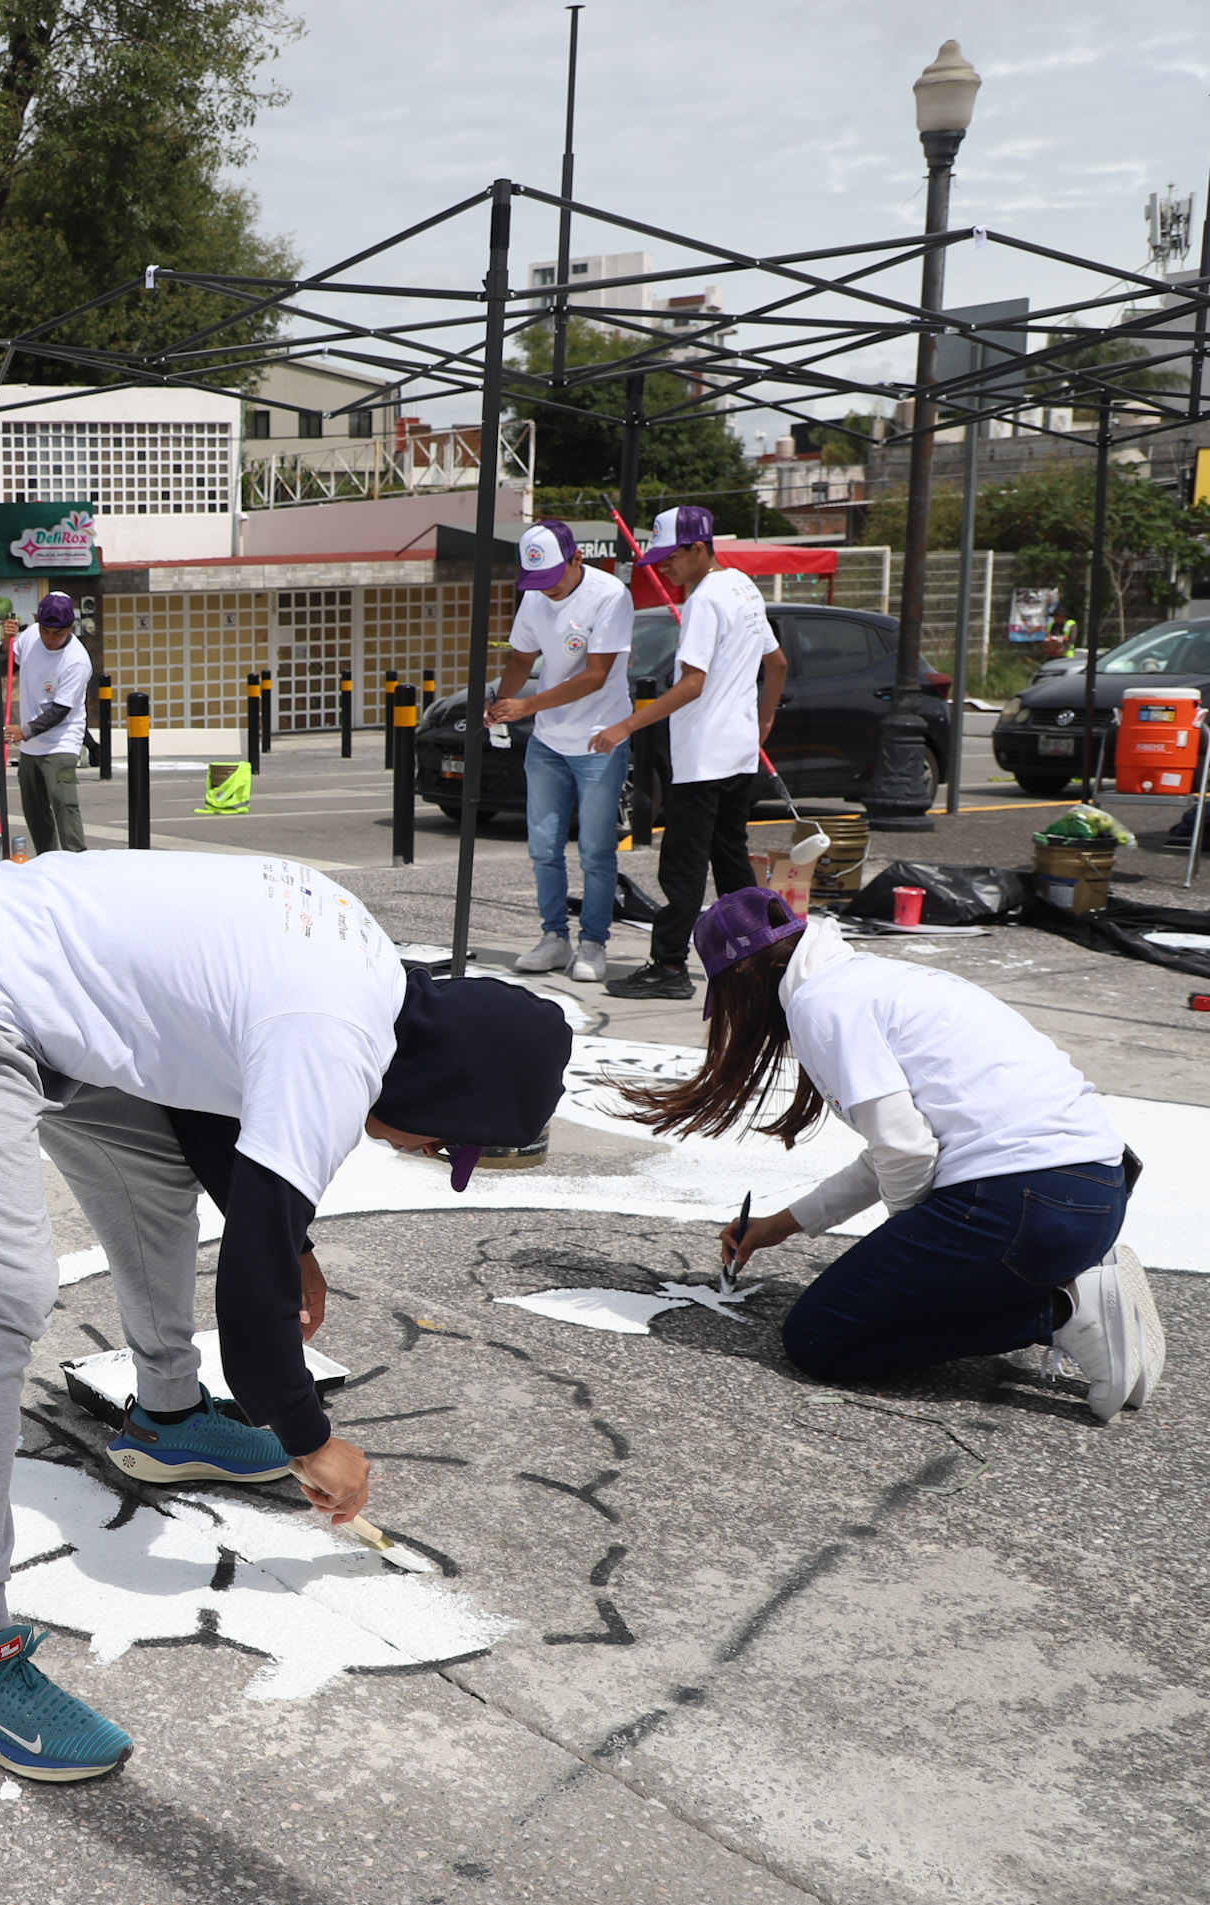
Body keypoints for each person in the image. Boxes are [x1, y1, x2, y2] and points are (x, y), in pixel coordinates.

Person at [0, 851, 570, 1779]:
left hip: (53, 990)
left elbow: (207, 1107)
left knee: (156, 1172)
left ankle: (167, 1419)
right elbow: (249, 1293)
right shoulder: (334, 1039)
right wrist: (307, 1434)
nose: (414, 1150)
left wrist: (297, 1247)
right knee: (6, 1283)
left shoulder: (364, 971)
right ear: (448, 1102)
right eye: (438, 1148)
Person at [630, 886, 1162, 1420]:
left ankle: (1060, 1311)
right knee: (876, 1294)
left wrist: (918, 1251)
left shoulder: (821, 1005)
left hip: (1025, 1209)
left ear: (745, 980)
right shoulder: (875, 978)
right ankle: (1076, 1277)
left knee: (819, 1337)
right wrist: (782, 1225)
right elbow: (897, 1151)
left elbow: (905, 1152)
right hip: (1094, 1194)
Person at [587, 505, 789, 1001]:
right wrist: (763, 721)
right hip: (737, 752)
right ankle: (757, 956)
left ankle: (669, 965)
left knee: (682, 864)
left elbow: (692, 684)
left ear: (698, 548)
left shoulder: (704, 601)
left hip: (702, 757)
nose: (663, 568)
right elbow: (778, 662)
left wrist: (626, 726)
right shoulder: (745, 587)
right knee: (731, 859)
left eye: (670, 557)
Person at [486, 521, 634, 983]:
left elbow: (596, 675)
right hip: (549, 740)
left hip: (598, 739)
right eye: (535, 581)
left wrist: (526, 704)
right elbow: (521, 658)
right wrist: (499, 707)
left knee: (595, 849)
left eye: (552, 577)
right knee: (543, 848)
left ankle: (593, 944)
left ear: (575, 560)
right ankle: (555, 938)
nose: (545, 589)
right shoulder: (535, 595)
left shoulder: (610, 595)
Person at [7, 592, 93, 854]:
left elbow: (60, 710)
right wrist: (5, 640)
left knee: (64, 804)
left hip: (61, 742)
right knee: (34, 811)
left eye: (58, 633)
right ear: (37, 623)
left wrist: (25, 731)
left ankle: (77, 862)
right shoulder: (31, 635)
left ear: (70, 628)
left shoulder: (77, 661)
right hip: (31, 747)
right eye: (46, 631)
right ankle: (47, 862)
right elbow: (9, 662)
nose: (50, 639)